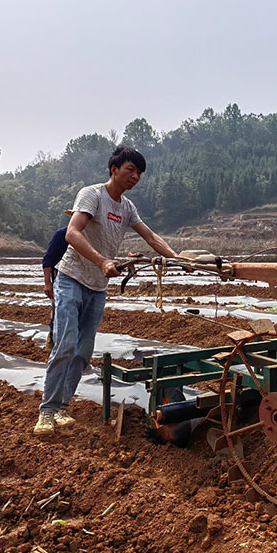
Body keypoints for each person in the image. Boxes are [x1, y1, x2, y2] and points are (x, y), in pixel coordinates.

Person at [34, 145, 177, 435]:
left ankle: (62, 409)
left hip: (98, 288)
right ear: (114, 170)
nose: (135, 176)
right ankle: (47, 412)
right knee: (65, 343)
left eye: (139, 173)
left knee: (83, 351)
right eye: (130, 170)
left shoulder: (126, 207)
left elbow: (150, 236)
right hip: (71, 278)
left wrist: (179, 260)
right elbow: (72, 233)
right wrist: (101, 261)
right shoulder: (92, 194)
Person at [41, 226, 69, 353]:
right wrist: (48, 282)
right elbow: (48, 259)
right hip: (61, 280)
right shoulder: (62, 235)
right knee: (58, 314)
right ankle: (53, 346)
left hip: (85, 281)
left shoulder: (92, 235)